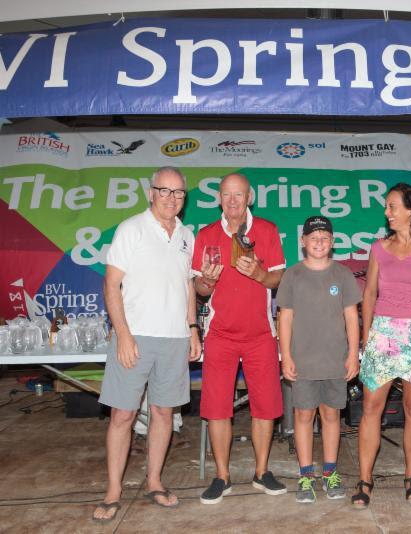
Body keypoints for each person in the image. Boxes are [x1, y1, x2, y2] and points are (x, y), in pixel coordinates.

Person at [93, 166, 201, 522]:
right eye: (165, 191)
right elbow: (111, 285)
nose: (172, 198)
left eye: (179, 193)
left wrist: (192, 328)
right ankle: (113, 490)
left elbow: (188, 286)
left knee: (163, 413)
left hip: (174, 339)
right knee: (123, 414)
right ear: (150, 193)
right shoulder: (131, 229)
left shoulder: (187, 236)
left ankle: (155, 481)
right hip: (135, 337)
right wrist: (123, 334)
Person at [193, 173, 287, 504]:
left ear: (250, 197)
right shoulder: (205, 235)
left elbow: (279, 279)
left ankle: (262, 472)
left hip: (261, 333)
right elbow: (199, 291)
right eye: (227, 195)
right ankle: (222, 476)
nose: (233, 201)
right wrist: (206, 281)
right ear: (219, 198)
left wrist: (260, 273)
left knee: (266, 407)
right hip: (219, 335)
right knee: (217, 408)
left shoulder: (267, 230)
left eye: (239, 195)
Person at [354, 183, 411, 508]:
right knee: (370, 410)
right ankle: (365, 480)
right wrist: (367, 335)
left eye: (392, 206)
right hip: (382, 333)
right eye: (386, 206)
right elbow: (368, 294)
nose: (386, 212)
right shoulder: (379, 247)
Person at [276, 215, 361, 504]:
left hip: (335, 361)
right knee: (303, 416)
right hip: (303, 362)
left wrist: (352, 354)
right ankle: (305, 476)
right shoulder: (293, 275)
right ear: (303, 242)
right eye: (313, 238)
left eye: (325, 238)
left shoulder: (343, 275)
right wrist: (285, 355)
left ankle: (330, 472)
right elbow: (285, 318)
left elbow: (351, 317)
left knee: (331, 415)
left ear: (333, 242)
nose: (319, 242)